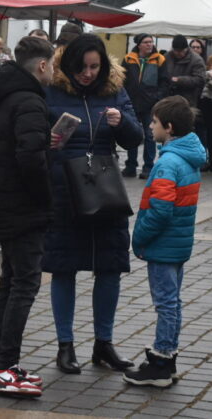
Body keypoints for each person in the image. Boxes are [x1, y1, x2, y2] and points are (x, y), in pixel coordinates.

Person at [43, 33, 143, 375]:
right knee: (64, 267)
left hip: (104, 190)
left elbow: (135, 138)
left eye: (95, 67)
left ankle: (104, 343)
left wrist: (122, 122)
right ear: (69, 64)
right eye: (82, 67)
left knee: (110, 266)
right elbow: (31, 138)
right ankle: (65, 344)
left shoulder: (114, 90)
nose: (88, 74)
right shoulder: (51, 90)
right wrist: (48, 141)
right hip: (64, 190)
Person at [0, 36, 55, 396]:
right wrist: (45, 199)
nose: (53, 71)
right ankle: (4, 366)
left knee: (10, 282)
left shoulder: (10, 96)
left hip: (5, 202)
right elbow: (30, 158)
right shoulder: (29, 101)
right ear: (41, 65)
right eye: (52, 65)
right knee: (24, 283)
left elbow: (24, 145)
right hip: (22, 205)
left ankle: (1, 362)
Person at [122, 96, 205, 387]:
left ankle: (161, 361)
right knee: (172, 302)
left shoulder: (168, 163)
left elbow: (160, 210)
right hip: (178, 244)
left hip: (162, 245)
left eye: (154, 122)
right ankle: (166, 357)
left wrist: (140, 237)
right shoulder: (188, 157)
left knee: (166, 304)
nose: (150, 126)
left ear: (168, 128)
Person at [121, 34, 169, 178]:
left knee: (149, 135)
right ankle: (130, 165)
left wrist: (157, 98)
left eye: (151, 42)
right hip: (132, 103)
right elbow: (122, 79)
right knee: (132, 133)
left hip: (150, 105)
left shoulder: (159, 59)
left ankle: (148, 167)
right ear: (139, 45)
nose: (149, 44)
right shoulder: (128, 59)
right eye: (146, 42)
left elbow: (165, 82)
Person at [166, 35, 207, 144]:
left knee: (184, 132)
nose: (179, 53)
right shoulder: (167, 57)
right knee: (169, 132)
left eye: (181, 51)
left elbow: (200, 79)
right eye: (176, 51)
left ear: (186, 48)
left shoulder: (196, 60)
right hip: (169, 100)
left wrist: (180, 80)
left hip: (188, 102)